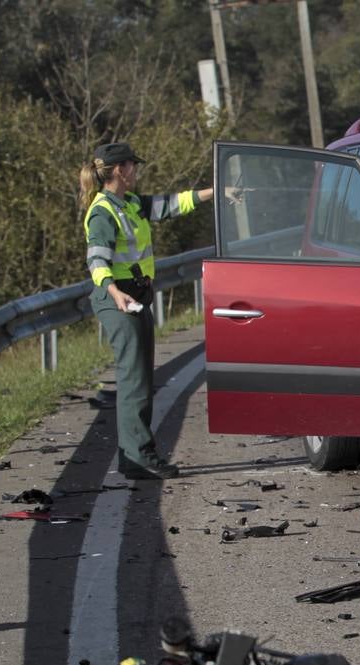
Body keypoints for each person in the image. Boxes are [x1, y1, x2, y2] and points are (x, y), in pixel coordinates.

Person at [79, 142, 215, 480]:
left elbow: (171, 204)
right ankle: (139, 457)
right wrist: (114, 292)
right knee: (134, 381)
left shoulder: (129, 203)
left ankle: (134, 457)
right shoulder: (103, 212)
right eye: (133, 166)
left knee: (139, 379)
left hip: (135, 296)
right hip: (119, 299)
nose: (137, 171)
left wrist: (215, 192)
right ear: (120, 171)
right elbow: (96, 259)